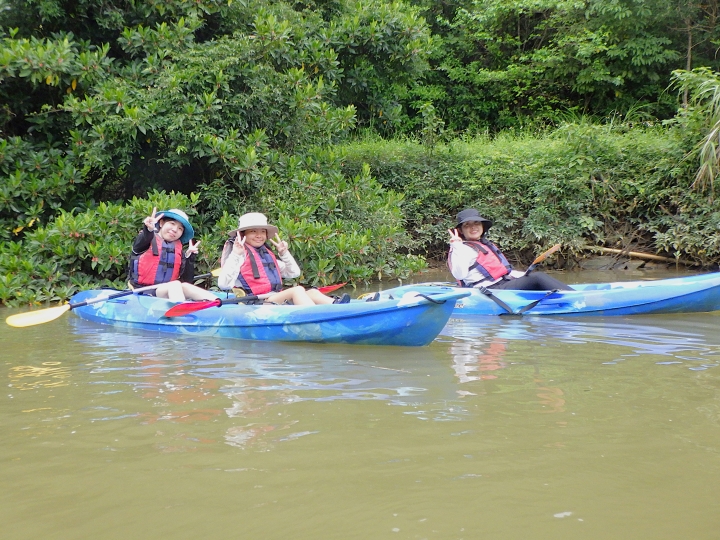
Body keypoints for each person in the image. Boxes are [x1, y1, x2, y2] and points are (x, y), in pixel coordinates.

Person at [218, 212, 350, 305]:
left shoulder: (264, 254)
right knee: (297, 290)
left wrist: (284, 253)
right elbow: (223, 284)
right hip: (254, 304)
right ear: (242, 235)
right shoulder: (238, 256)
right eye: (253, 231)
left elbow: (294, 273)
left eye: (262, 231)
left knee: (312, 292)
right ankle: (317, 316)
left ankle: (339, 306)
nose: (259, 235)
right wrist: (236, 254)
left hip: (273, 299)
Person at [447, 208, 573, 291]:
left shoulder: (483, 244)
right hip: (489, 290)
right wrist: (457, 246)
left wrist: (523, 275)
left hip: (502, 284)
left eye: (476, 223)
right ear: (460, 230)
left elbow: (506, 272)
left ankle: (569, 293)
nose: (473, 227)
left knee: (534, 277)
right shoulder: (461, 248)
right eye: (467, 225)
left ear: (482, 226)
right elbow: (459, 274)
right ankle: (575, 297)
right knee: (538, 278)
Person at [128, 207, 218, 302]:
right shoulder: (144, 242)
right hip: (143, 292)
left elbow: (187, 280)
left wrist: (189, 258)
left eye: (180, 228)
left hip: (164, 291)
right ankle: (181, 310)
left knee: (184, 285)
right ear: (161, 223)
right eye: (172, 223)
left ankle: (218, 302)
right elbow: (145, 237)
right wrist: (148, 229)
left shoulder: (178, 250)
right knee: (175, 284)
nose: (175, 230)